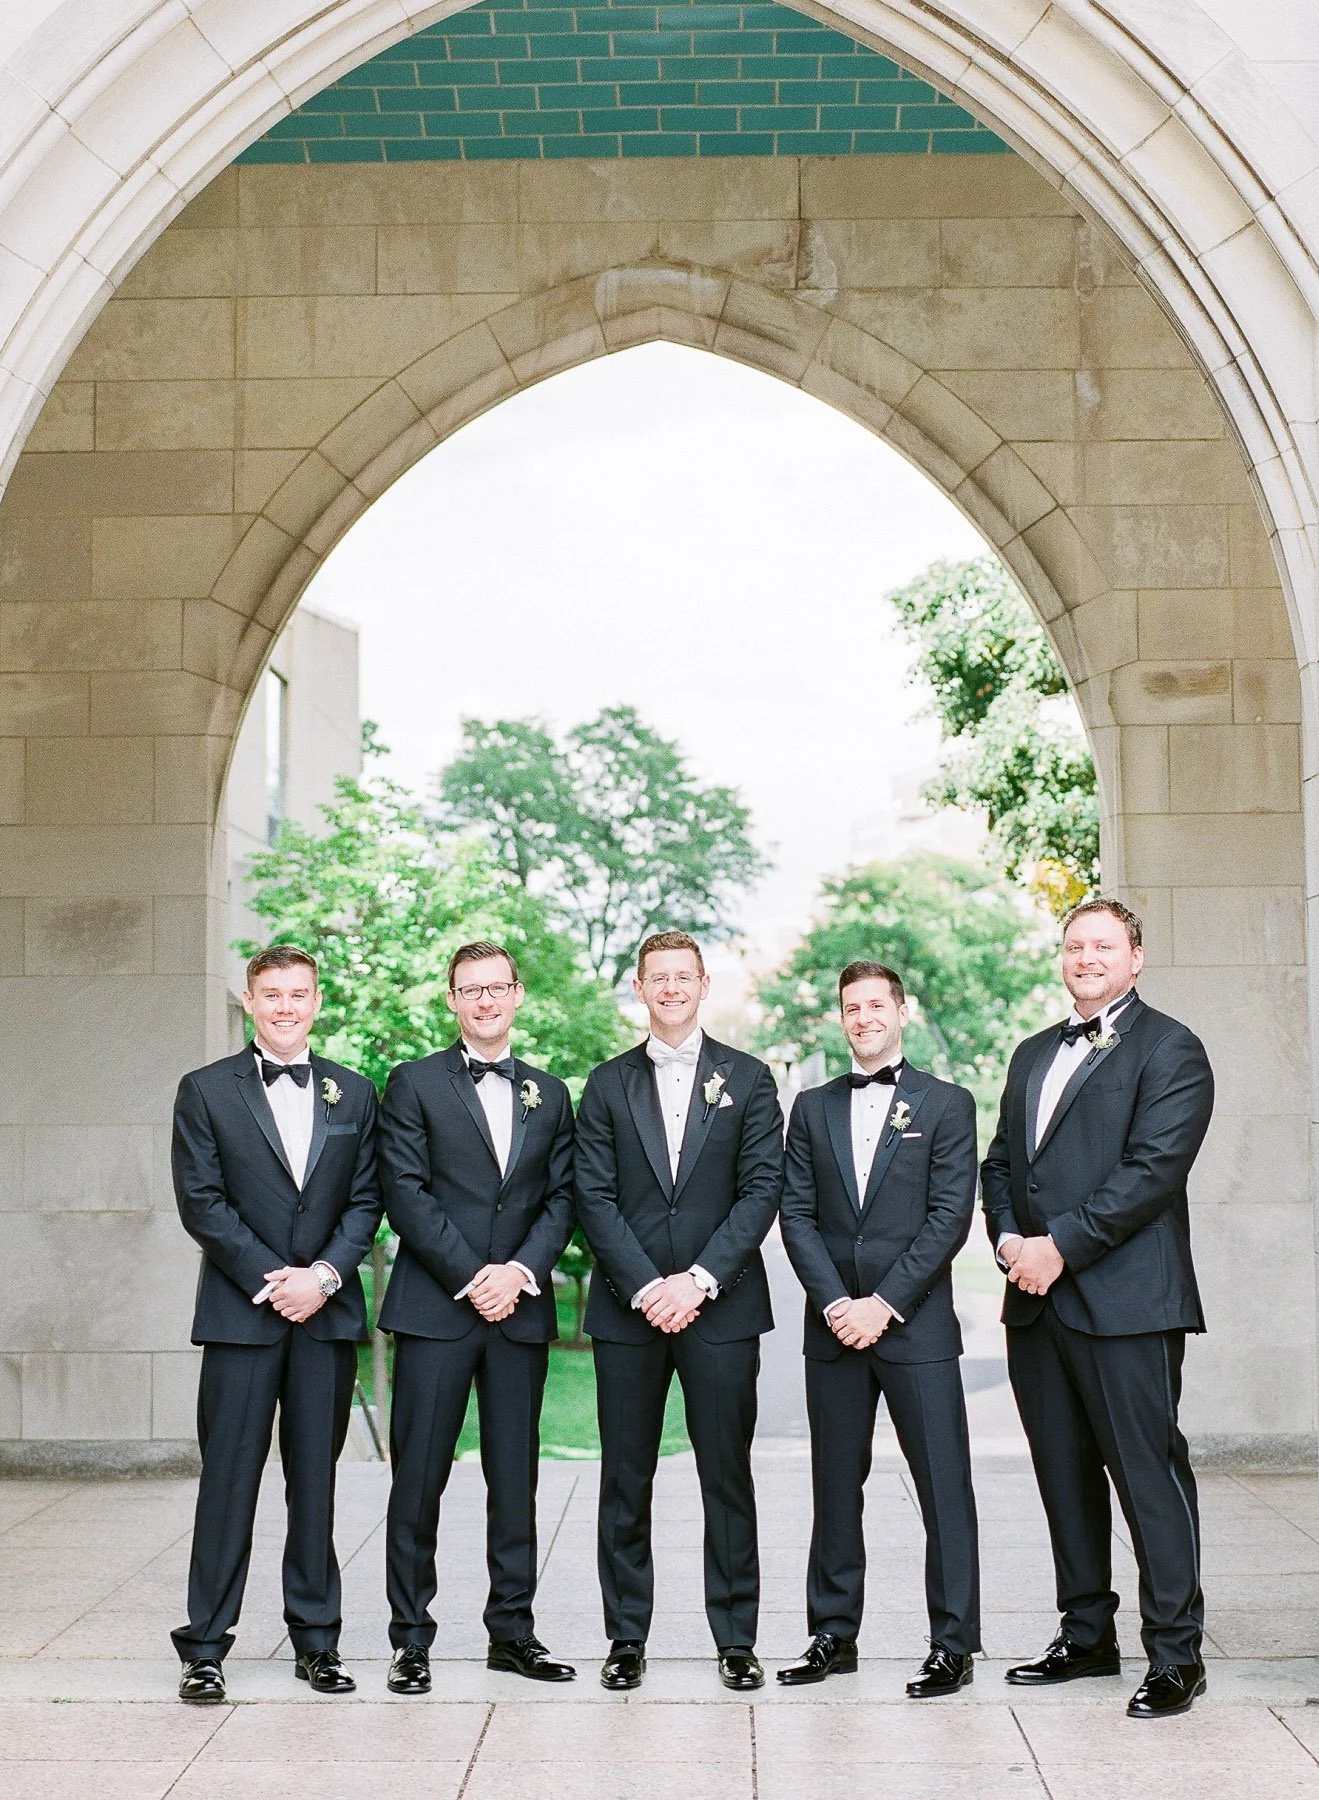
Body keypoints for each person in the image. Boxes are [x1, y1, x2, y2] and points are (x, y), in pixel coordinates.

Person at [982, 897, 1215, 1719]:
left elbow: (1152, 1170)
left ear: (1134, 958)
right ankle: (1085, 1636)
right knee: (1063, 1475)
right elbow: (1002, 1163)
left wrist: (1058, 1246)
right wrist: (1008, 1240)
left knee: (1147, 1477)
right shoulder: (1030, 1052)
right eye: (1074, 945)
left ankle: (1175, 1655)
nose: (1086, 957)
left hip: (1127, 1303)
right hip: (1034, 1304)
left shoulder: (1170, 1048)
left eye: (1103, 946)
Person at [574, 930, 784, 1693]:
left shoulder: (749, 1079)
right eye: (656, 977)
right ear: (638, 988)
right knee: (624, 1479)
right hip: (627, 1312)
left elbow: (760, 1190)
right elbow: (592, 1195)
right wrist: (645, 1286)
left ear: (703, 985)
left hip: (720, 1311)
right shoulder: (605, 1084)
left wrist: (696, 1281)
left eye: (681, 976)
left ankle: (735, 1638)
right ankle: (625, 1637)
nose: (669, 988)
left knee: (725, 1476)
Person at [170, 944, 381, 1703]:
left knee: (315, 1485)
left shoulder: (356, 1093)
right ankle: (204, 1648)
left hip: (325, 1317)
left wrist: (320, 1278)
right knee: (227, 1483)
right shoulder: (205, 1090)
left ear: (317, 1002)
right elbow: (202, 1202)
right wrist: (275, 1279)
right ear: (250, 1001)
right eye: (272, 994)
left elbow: (368, 1200)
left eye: (298, 994)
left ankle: (317, 1643)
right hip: (242, 1316)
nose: (286, 1007)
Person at [778, 960, 981, 1696]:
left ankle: (952, 1645)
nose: (863, 1018)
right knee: (834, 1486)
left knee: (943, 1488)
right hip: (833, 1328)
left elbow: (948, 1217)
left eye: (875, 1006)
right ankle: (832, 1635)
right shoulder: (811, 1108)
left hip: (915, 1326)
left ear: (902, 1011)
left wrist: (883, 1303)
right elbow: (796, 1213)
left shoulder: (947, 1104)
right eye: (850, 1008)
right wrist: (838, 1303)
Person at [378, 941, 576, 1694]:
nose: (486, 1001)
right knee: (418, 1479)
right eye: (471, 990)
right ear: (452, 1000)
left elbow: (563, 1197)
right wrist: (472, 1276)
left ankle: (513, 1632)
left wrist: (518, 1273)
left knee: (515, 1479)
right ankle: (410, 1639)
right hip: (436, 1310)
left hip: (518, 1313)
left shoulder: (550, 1094)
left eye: (497, 988)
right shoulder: (413, 1083)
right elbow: (405, 1192)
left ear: (517, 994)